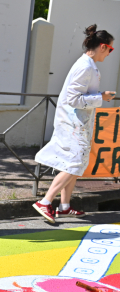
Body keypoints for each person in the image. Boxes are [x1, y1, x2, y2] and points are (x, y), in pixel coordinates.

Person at [34, 25, 116, 223]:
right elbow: (73, 98)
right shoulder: (85, 66)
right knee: (75, 163)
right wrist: (100, 97)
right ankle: (45, 201)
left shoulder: (88, 64)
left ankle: (64, 206)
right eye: (111, 49)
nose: (110, 53)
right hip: (73, 123)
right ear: (103, 47)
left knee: (75, 163)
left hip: (77, 122)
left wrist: (97, 97)